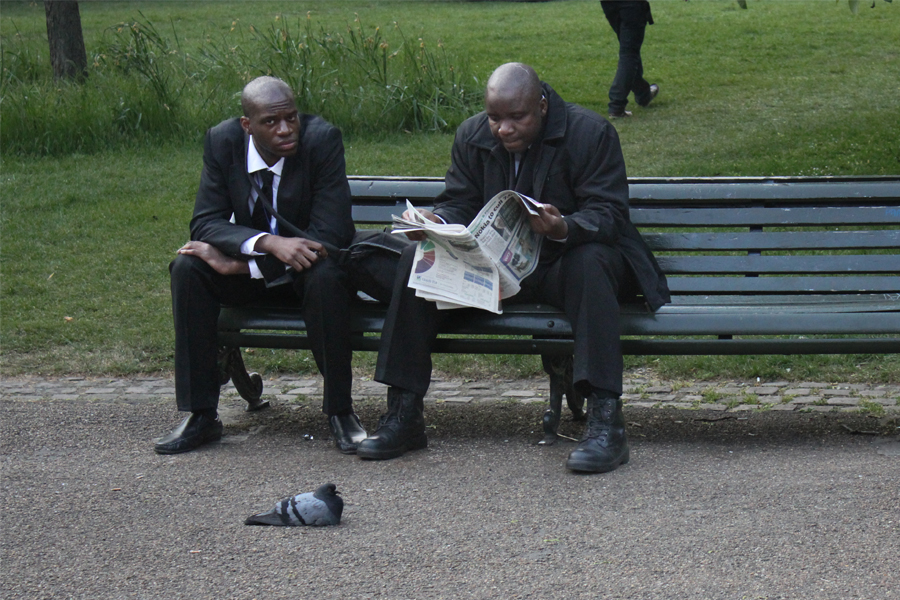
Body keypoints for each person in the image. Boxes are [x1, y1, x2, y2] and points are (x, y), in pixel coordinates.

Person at [356, 62, 670, 473]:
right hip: (494, 269)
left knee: (591, 264)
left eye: (517, 117)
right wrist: (437, 220)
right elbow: (460, 201)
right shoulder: (472, 135)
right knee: (417, 261)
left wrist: (563, 226)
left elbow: (609, 214)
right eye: (495, 118)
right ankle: (403, 415)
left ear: (542, 105)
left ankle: (606, 424)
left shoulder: (590, 133)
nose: (504, 129)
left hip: (566, 262)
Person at [154, 76, 368, 456]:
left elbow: (331, 235)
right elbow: (205, 222)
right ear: (247, 125)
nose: (285, 129)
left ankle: (341, 411)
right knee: (188, 269)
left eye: (291, 118)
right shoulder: (223, 142)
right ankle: (201, 415)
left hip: (308, 273)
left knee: (326, 277)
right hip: (260, 269)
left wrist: (243, 267)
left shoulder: (321, 141)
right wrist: (269, 243)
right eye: (271, 122)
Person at [600, 0, 659, 118]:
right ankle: (616, 105)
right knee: (629, 53)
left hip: (609, 4)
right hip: (632, 4)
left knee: (629, 49)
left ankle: (643, 94)